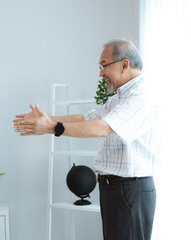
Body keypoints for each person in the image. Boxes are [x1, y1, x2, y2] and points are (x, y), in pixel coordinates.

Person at [13, 40, 162, 240]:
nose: (101, 73)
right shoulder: (120, 97)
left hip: (130, 191)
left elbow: (103, 127)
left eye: (104, 65)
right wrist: (47, 119)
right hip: (115, 189)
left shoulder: (141, 95)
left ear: (124, 65)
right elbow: (86, 118)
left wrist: (52, 127)